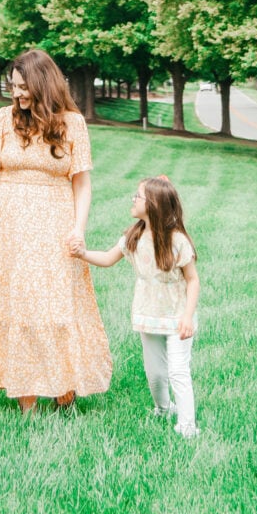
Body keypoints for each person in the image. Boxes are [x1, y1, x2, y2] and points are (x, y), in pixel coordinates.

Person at [0, 48, 112, 412]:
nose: (17, 94)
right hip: (8, 223)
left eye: (24, 87)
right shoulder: (2, 120)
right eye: (13, 87)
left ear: (43, 85)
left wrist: (79, 228)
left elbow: (82, 183)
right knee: (17, 306)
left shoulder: (73, 124)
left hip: (54, 223)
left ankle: (64, 390)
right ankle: (25, 396)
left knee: (56, 305)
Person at [72, 175, 200, 437]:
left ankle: (188, 427)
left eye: (138, 196)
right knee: (155, 373)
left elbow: (193, 280)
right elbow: (108, 258)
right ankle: (164, 408)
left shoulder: (177, 241)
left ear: (153, 204)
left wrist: (188, 316)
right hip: (149, 316)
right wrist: (83, 254)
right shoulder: (135, 236)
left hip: (178, 318)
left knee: (177, 371)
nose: (133, 199)